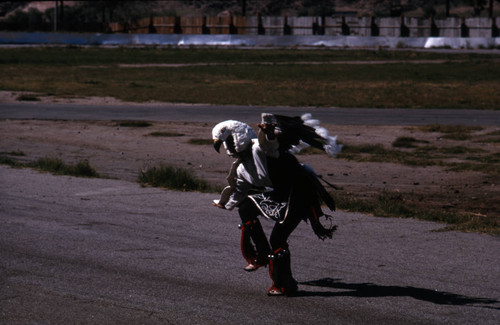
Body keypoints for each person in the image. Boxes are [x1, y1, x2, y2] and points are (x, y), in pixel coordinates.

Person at [212, 113, 340, 296]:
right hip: (275, 196)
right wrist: (225, 203)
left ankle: (284, 284)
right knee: (245, 207)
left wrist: (269, 133)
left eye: (231, 142)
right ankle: (261, 254)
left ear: (238, 137)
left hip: (296, 195)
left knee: (277, 240)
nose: (230, 147)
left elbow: (269, 145)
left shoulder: (259, 148)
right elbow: (239, 189)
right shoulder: (240, 166)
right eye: (227, 145)